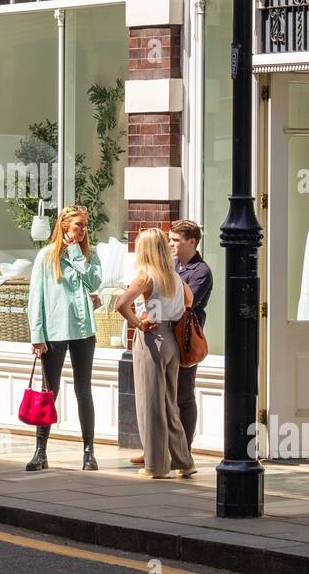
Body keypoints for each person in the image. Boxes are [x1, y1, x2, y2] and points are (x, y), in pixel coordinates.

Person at [25, 204, 103, 472]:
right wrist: (37, 335)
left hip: (83, 332)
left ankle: (89, 451)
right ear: (64, 227)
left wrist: (75, 253)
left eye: (84, 225)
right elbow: (35, 299)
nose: (82, 230)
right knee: (49, 392)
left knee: (85, 391)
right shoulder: (46, 257)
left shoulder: (89, 255)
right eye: (77, 225)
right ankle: (40, 451)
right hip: (54, 333)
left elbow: (95, 283)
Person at [132, 219, 213, 464]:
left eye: (176, 240)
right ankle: (157, 450)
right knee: (160, 396)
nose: (172, 245)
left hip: (183, 338)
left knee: (183, 396)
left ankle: (183, 451)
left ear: (192, 242)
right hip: (167, 334)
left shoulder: (201, 271)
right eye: (169, 240)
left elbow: (188, 302)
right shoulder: (171, 266)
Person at [117, 228, 195, 479]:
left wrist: (138, 321)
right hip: (171, 339)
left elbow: (121, 304)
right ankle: (184, 461)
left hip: (152, 339)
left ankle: (156, 466)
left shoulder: (145, 275)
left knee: (150, 404)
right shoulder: (174, 275)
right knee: (169, 404)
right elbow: (189, 301)